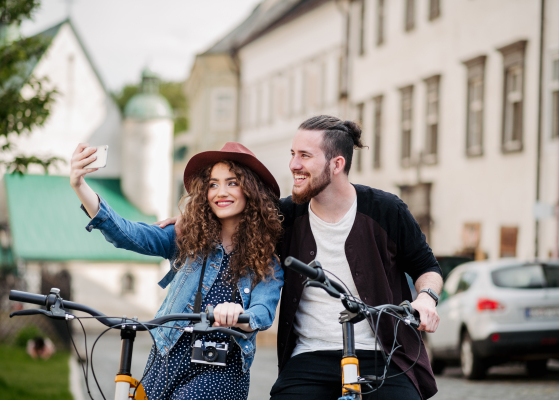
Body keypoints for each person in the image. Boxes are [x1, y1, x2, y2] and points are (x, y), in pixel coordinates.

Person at [157, 116, 443, 399]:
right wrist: (190, 219)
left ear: (337, 164)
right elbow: (236, 215)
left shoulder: (386, 210)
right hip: (309, 355)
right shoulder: (284, 216)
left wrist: (426, 298)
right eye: (293, 154)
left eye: (305, 156)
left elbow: (426, 268)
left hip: (382, 354)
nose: (294, 165)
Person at [70, 142, 284, 400]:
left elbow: (263, 311)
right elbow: (127, 234)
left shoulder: (267, 262)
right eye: (213, 184)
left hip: (220, 373)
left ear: (251, 190)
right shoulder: (189, 238)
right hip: (166, 359)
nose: (220, 192)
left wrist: (240, 314)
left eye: (232, 182)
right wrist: (80, 185)